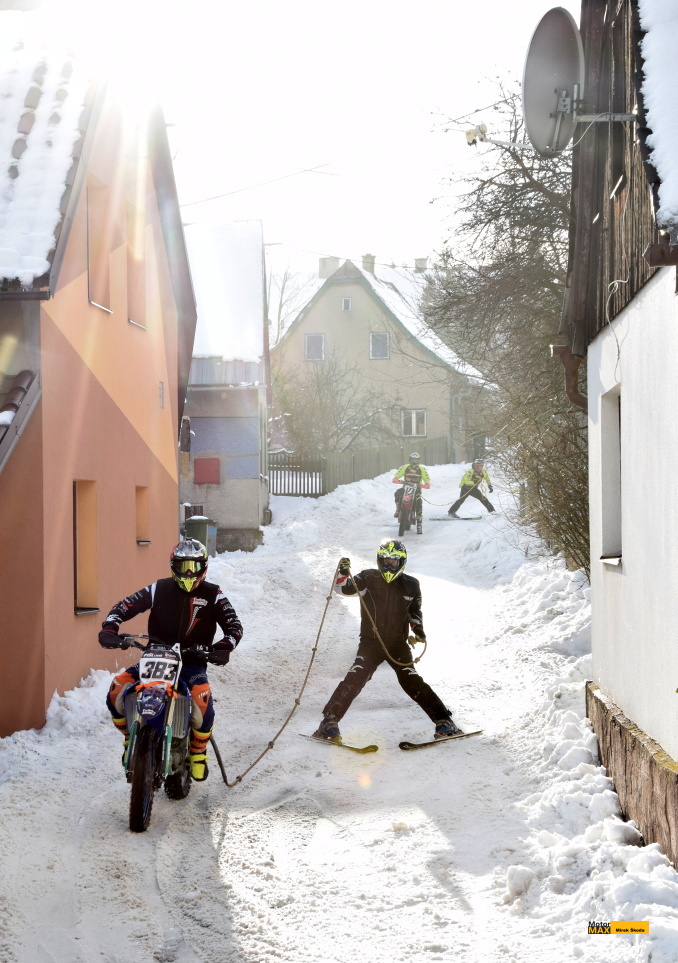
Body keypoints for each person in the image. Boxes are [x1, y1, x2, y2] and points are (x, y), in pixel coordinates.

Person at [98, 538, 243, 782]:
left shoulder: (213, 593)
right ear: (173, 565)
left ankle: (198, 755)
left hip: (192, 661)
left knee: (203, 701)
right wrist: (110, 628)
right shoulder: (159, 588)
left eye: (194, 566)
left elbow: (234, 625)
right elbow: (123, 606)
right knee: (116, 690)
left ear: (204, 567)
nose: (188, 572)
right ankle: (128, 740)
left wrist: (224, 647)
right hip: (155, 657)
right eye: (183, 565)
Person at [312, 539, 460, 743]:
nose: (390, 564)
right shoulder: (367, 577)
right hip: (371, 643)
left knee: (411, 680)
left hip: (398, 644)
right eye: (386, 560)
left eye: (394, 561)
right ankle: (328, 724)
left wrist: (418, 631)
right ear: (379, 560)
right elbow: (343, 589)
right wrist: (343, 572)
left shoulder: (411, 585)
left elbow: (415, 612)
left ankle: (444, 722)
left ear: (402, 563)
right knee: (356, 677)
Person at [392, 451, 431, 534]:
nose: (414, 461)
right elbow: (398, 474)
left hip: (416, 489)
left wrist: (427, 483)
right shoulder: (405, 467)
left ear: (418, 460)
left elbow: (426, 478)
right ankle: (398, 508)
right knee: (398, 493)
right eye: (413, 460)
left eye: (416, 460)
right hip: (406, 488)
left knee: (419, 502)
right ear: (410, 460)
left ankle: (419, 524)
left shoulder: (422, 469)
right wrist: (396, 478)